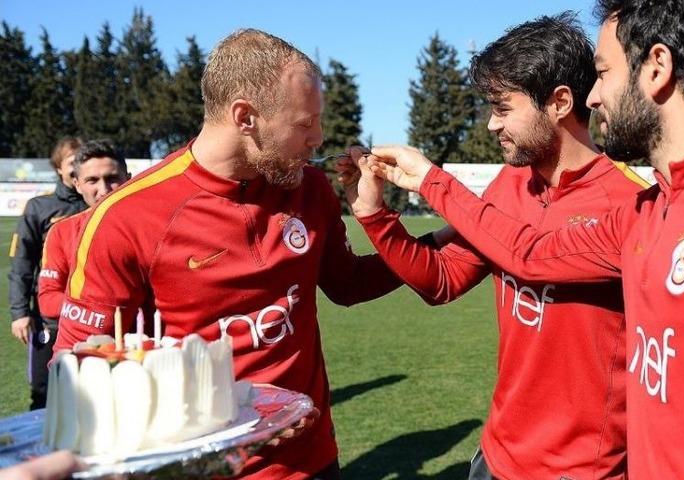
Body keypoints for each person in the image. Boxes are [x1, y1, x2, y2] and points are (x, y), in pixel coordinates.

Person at [364, 0, 684, 478]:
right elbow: (529, 254)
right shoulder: (646, 210)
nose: (594, 95)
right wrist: (418, 188)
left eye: (603, 73)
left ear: (656, 67)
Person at [54, 29, 401, 480]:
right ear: (245, 116)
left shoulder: (309, 187)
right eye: (304, 123)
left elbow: (348, 283)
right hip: (198, 470)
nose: (319, 138)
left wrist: (452, 238)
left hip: (311, 461)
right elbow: (77, 364)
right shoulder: (127, 216)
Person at [344, 12, 646, 480]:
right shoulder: (509, 184)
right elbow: (442, 281)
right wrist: (374, 216)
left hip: (580, 470)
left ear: (560, 102)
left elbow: (531, 254)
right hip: (496, 457)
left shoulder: (628, 203)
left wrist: (431, 181)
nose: (490, 124)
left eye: (503, 108)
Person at [8, 136, 87, 410]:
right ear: (58, 169)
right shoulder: (39, 208)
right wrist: (20, 313)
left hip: (92, 316)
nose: (78, 166)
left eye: (82, 159)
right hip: (49, 320)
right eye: (71, 161)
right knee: (44, 393)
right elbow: (22, 263)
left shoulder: (97, 203)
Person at [38, 140, 131, 321]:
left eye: (112, 179)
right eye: (92, 181)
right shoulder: (61, 232)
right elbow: (48, 301)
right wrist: (98, 307)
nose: (103, 190)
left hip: (143, 344)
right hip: (84, 344)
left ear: (128, 179)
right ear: (77, 184)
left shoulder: (153, 228)